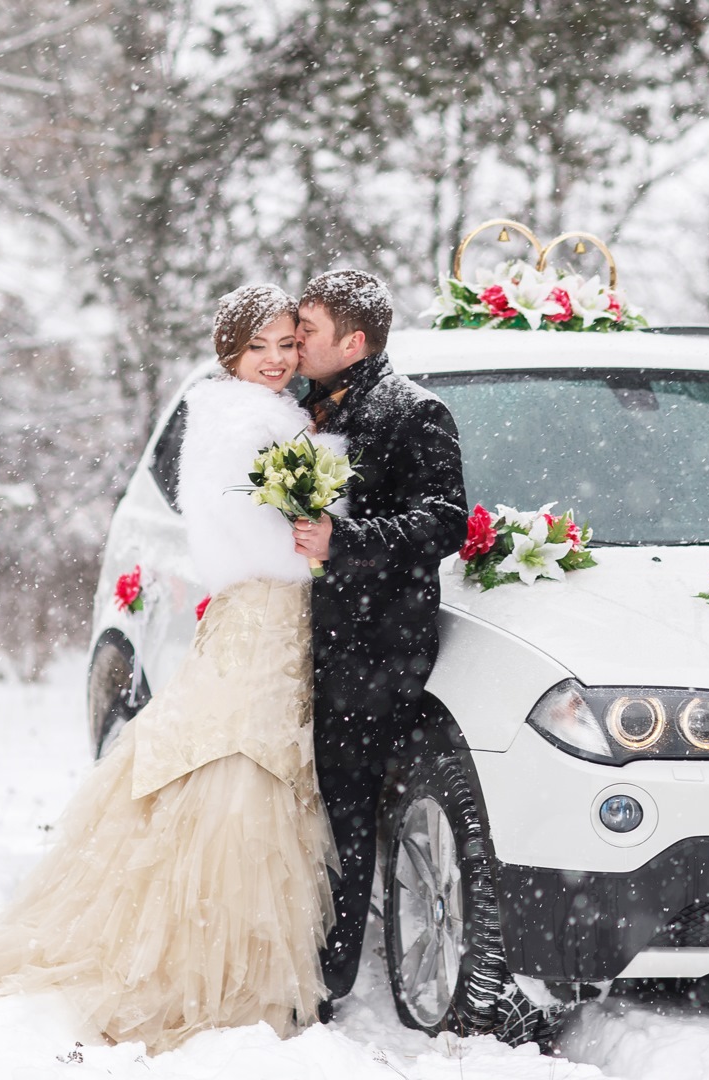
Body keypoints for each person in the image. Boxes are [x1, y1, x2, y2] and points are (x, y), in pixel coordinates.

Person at [0, 285, 339, 1053]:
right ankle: (209, 968)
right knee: (238, 760)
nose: (280, 359)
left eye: (288, 344)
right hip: (262, 611)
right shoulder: (247, 420)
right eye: (261, 347)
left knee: (230, 752)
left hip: (262, 617)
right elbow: (238, 535)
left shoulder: (258, 414)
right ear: (231, 352)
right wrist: (320, 541)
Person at [291, 269, 470, 1016]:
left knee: (345, 806)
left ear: (354, 341)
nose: (296, 341)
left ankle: (328, 979)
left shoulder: (412, 412)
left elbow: (446, 520)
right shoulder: (292, 408)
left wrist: (347, 540)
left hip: (370, 646)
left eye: (308, 330)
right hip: (295, 639)